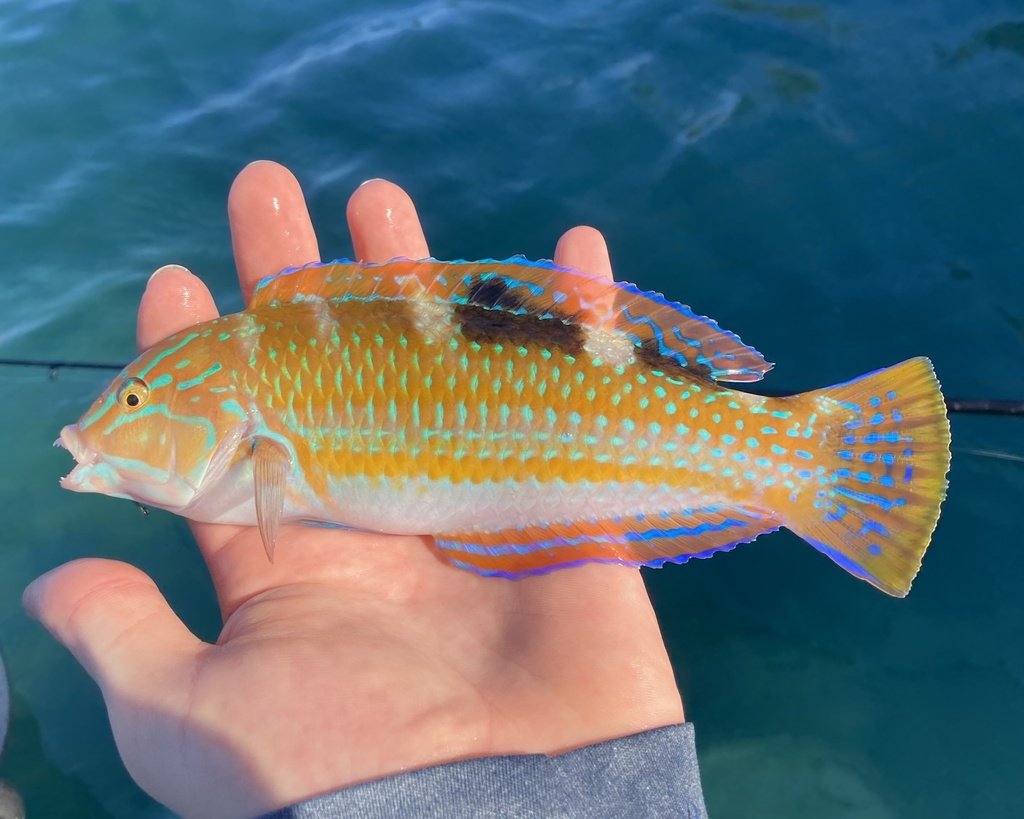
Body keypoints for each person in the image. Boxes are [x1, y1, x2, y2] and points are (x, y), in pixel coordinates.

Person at [23, 162, 708, 818]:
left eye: (136, 397)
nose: (102, 425)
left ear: (228, 414)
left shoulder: (258, 442)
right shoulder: (245, 415)